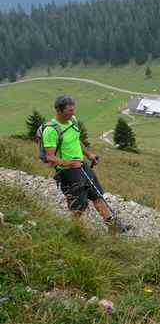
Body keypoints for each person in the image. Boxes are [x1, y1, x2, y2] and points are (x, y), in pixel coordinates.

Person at [42, 95, 130, 234]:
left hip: (82, 166)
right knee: (79, 204)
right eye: (69, 111)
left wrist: (89, 155)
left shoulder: (73, 121)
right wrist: (69, 163)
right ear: (59, 110)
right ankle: (75, 231)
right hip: (67, 171)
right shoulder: (51, 130)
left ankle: (112, 227)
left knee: (97, 195)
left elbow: (76, 140)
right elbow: (50, 157)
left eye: (73, 109)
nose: (73, 113)